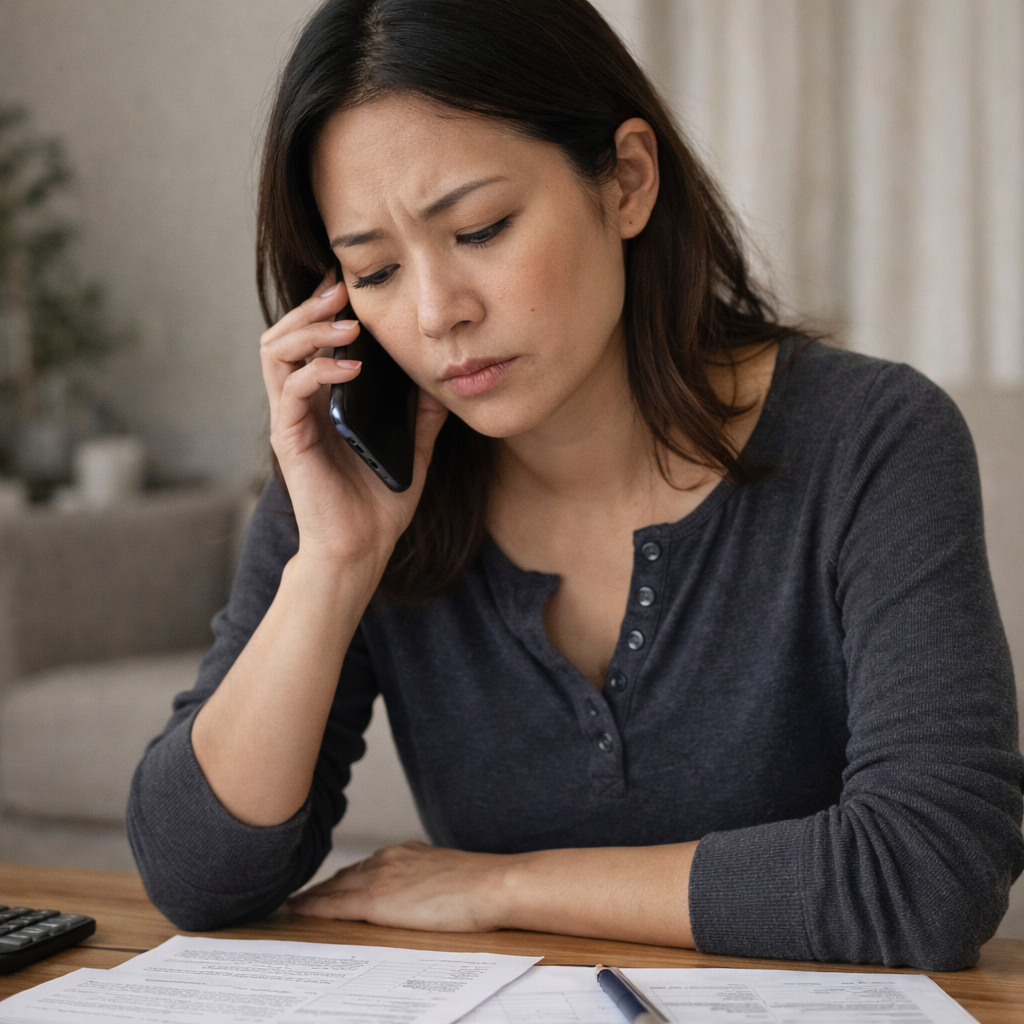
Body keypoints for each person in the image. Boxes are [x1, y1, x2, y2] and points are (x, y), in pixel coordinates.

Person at [127, 0, 1023, 970]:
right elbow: (195, 876)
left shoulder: (873, 438)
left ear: (626, 180)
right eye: (375, 271)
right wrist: (334, 564)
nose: (435, 313)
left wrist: (501, 886)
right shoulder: (360, 482)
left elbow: (932, 871)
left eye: (480, 229)